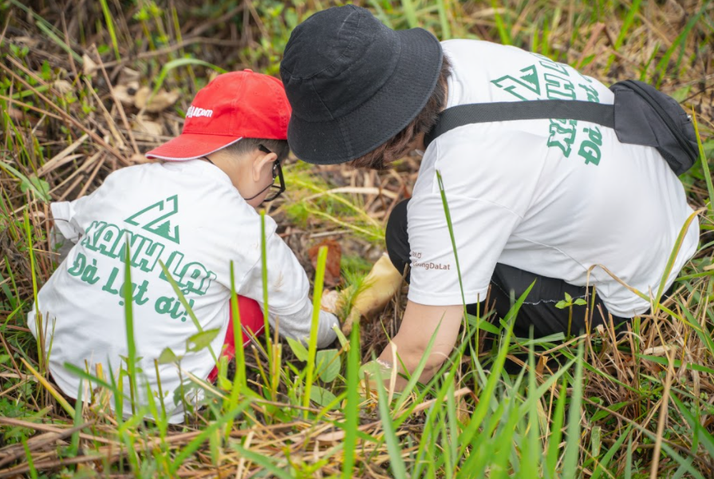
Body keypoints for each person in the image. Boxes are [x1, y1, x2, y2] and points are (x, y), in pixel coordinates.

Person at [280, 6, 700, 383]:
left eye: (345, 143)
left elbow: (421, 355)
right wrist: (373, 288)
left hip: (632, 294)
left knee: (408, 235)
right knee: (416, 228)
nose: (344, 159)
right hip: (669, 215)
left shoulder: (458, 180)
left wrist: (345, 408)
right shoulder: (461, 56)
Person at [27, 70, 339, 422]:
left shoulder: (126, 181)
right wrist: (338, 323)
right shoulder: (251, 235)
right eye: (275, 172)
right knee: (254, 299)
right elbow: (305, 329)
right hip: (150, 402)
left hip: (51, 355)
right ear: (263, 163)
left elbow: (60, 225)